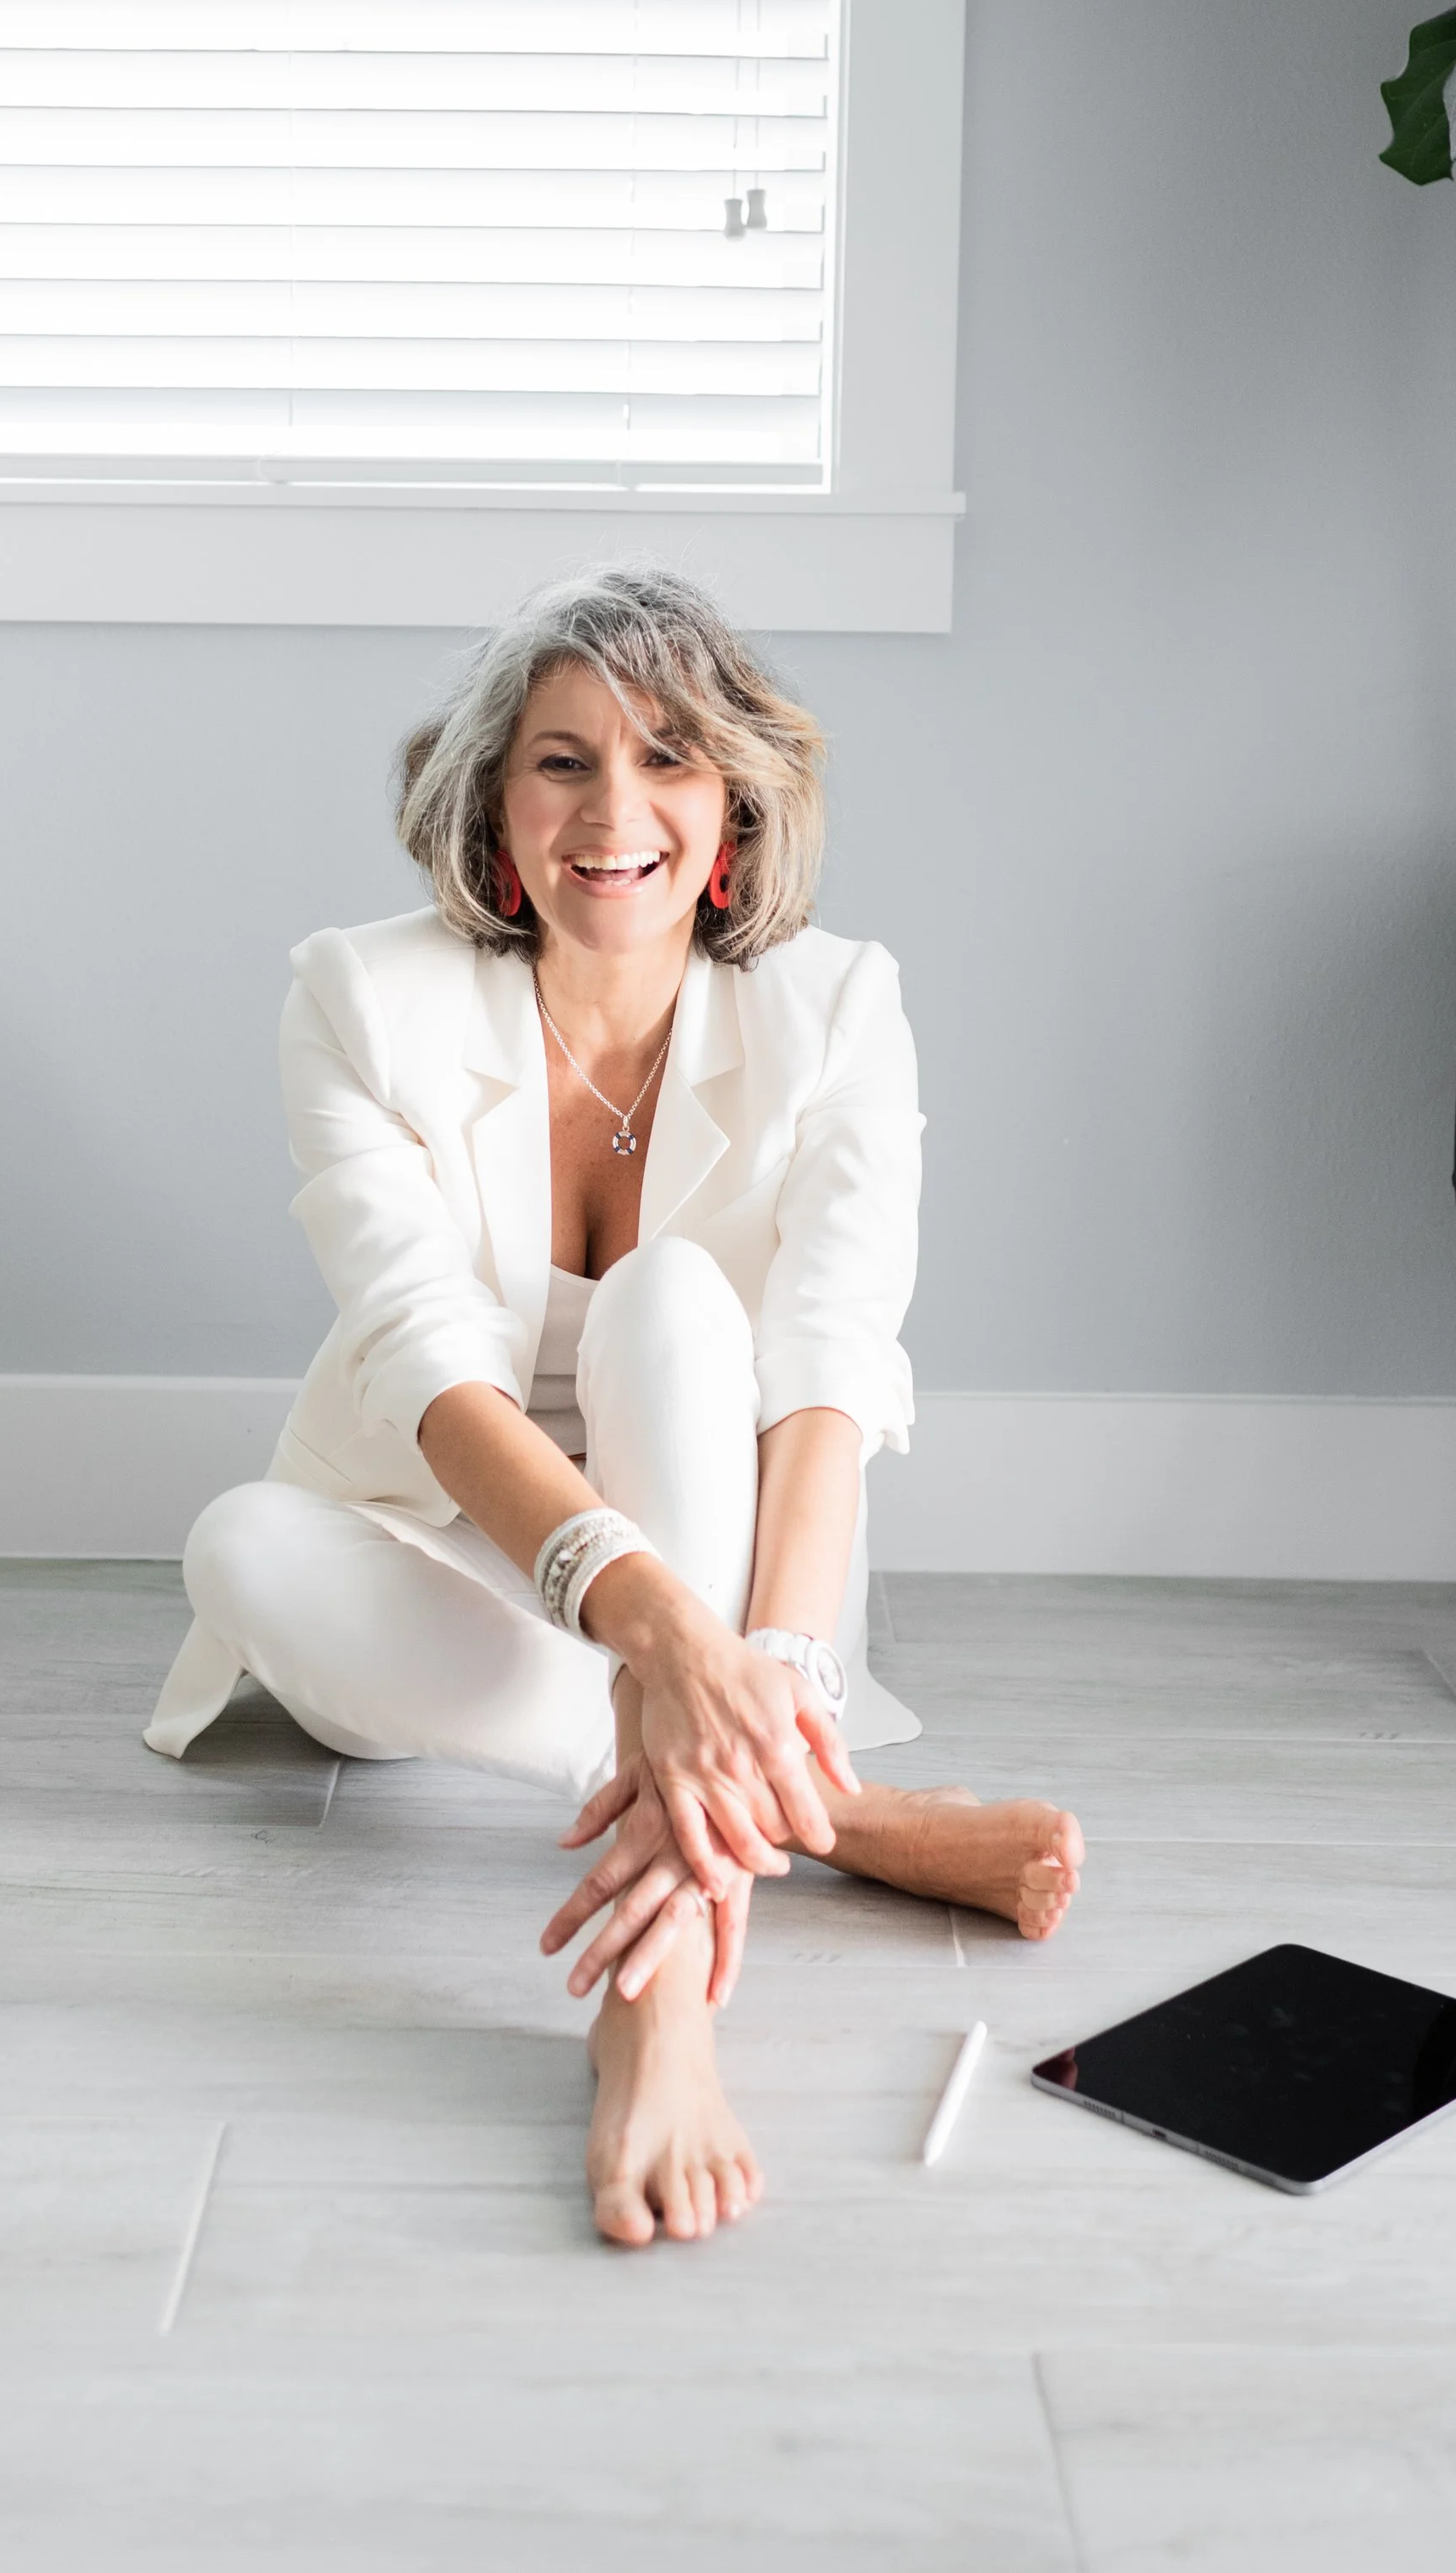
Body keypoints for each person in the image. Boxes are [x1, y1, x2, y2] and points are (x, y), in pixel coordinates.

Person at [144, 567, 1083, 2245]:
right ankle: (821, 1808)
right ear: (494, 808)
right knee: (238, 1544)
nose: (614, 808)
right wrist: (654, 1648)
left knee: (673, 1298)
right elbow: (422, 1361)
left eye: (666, 755)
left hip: (741, 1583)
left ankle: (654, 2011)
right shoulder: (360, 998)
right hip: (470, 1546)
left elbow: (826, 1369)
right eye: (560, 759)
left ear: (728, 808)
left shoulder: (837, 1004)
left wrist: (751, 1661)